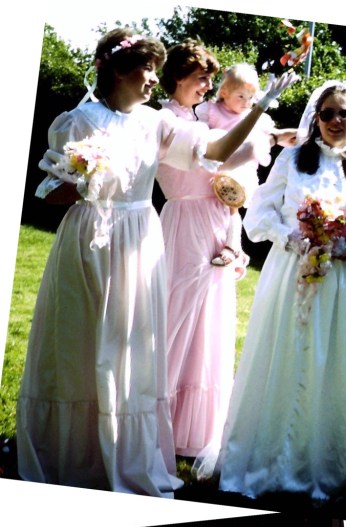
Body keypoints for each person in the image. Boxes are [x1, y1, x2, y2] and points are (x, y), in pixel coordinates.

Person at [16, 27, 295, 497]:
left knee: (132, 347)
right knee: (80, 341)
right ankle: (74, 451)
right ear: (119, 70)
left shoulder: (156, 123)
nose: (153, 80)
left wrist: (262, 106)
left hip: (141, 239)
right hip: (87, 240)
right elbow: (50, 193)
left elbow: (218, 151)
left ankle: (126, 448)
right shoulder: (77, 122)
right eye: (148, 69)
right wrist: (86, 178)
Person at [216, 80, 346, 502]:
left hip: (341, 282)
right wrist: (294, 237)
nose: (335, 121)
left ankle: (324, 466)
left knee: (332, 367)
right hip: (290, 275)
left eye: (344, 114)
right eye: (328, 113)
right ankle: (269, 462)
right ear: (316, 119)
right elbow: (257, 215)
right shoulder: (293, 159)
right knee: (285, 357)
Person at [156, 42, 294, 466]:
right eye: (202, 79)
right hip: (185, 223)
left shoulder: (192, 117)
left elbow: (229, 152)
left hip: (218, 220)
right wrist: (260, 134)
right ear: (179, 77)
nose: (208, 87)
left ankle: (192, 429)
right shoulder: (168, 119)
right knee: (177, 318)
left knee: (210, 326)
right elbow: (217, 154)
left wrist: (270, 134)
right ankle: (155, 419)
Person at [194, 63, 297, 268]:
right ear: (224, 92)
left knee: (232, 208)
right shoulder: (212, 111)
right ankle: (225, 246)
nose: (246, 103)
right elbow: (199, 138)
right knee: (211, 209)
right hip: (209, 168)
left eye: (251, 98)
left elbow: (273, 137)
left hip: (238, 173)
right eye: (240, 96)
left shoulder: (255, 118)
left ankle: (233, 246)